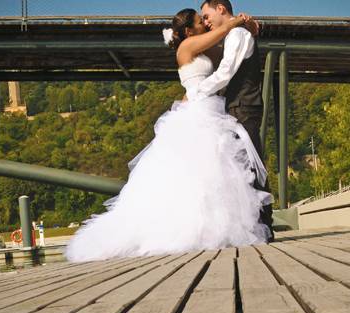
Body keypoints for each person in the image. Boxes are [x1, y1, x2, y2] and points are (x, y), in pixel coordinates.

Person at [65, 9, 272, 262]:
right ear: (188, 31)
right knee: (195, 169)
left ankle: (212, 226)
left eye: (205, 18)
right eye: (200, 21)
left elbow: (229, 51)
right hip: (198, 109)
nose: (205, 24)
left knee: (213, 171)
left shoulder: (204, 47)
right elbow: (221, 33)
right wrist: (237, 20)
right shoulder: (186, 46)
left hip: (210, 107)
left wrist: (248, 31)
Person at [196, 0, 274, 241]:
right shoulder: (234, 33)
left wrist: (197, 91)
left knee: (250, 164)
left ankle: (265, 226)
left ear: (221, 8)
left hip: (244, 107)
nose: (206, 22)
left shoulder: (238, 33)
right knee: (240, 166)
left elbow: (226, 72)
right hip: (238, 107)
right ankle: (252, 225)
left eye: (207, 16)